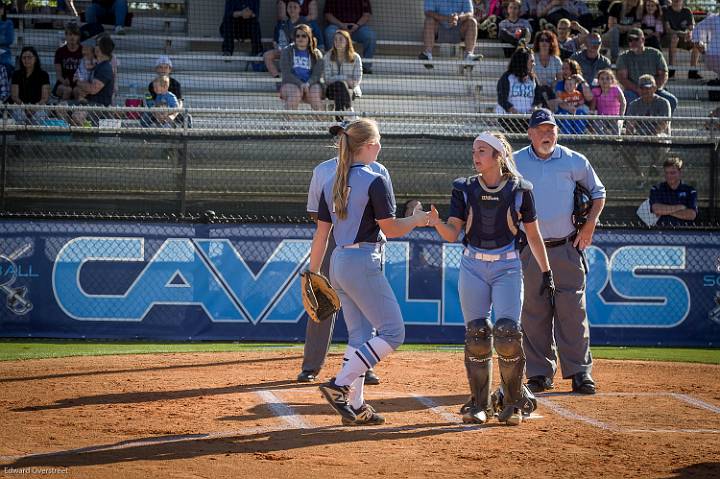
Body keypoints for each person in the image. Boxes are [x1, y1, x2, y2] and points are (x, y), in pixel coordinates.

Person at [426, 131, 554, 425]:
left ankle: (511, 403)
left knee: (508, 334)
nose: (475, 156)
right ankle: (479, 404)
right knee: (477, 335)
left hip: (507, 267)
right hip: (473, 265)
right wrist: (435, 222)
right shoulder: (464, 188)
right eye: (474, 151)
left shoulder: (520, 189)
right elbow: (452, 233)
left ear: (498, 156)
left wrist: (546, 272)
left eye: (482, 151)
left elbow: (533, 235)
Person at [310, 118, 430, 425]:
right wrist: (418, 220)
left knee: (361, 336)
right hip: (362, 261)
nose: (380, 147)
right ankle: (339, 386)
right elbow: (391, 227)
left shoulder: (332, 178)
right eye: (378, 142)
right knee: (393, 333)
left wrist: (313, 274)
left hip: (338, 262)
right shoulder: (375, 178)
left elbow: (322, 235)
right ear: (370, 145)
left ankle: (358, 403)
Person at [514, 108, 606, 396]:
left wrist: (589, 225)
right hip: (531, 248)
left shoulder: (572, 159)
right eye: (540, 130)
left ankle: (580, 372)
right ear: (529, 133)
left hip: (567, 246)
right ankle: (540, 373)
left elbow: (598, 193)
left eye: (551, 129)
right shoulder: (514, 162)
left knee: (572, 312)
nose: (546, 134)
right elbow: (501, 193)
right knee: (534, 312)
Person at [298, 123, 388, 386]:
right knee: (322, 302)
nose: (343, 139)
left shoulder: (378, 169)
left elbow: (382, 214)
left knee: (366, 305)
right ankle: (312, 365)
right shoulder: (324, 170)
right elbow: (317, 215)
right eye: (341, 135)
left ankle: (365, 365)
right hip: (335, 238)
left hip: (368, 241)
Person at [616, 28, 678, 113]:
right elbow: (622, 78)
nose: (633, 42)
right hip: (634, 91)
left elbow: (663, 74)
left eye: (636, 39)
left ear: (643, 39)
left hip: (654, 90)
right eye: (630, 40)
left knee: (672, 100)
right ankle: (630, 124)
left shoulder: (656, 54)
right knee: (627, 98)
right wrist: (638, 89)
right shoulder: (623, 57)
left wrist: (653, 89)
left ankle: (663, 124)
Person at [420, 0, 482, 67]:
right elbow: (428, 12)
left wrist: (458, 18)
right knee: (429, 20)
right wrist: (445, 18)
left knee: (472, 22)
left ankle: (469, 55)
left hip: (459, 29)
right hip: (438, 29)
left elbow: (470, 13)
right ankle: (428, 55)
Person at [495, 47, 554, 116]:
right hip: (508, 118)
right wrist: (514, 111)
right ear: (523, 61)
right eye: (532, 61)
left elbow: (538, 97)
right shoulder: (507, 77)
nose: (534, 64)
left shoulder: (533, 78)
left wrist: (534, 107)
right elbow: (501, 99)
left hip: (528, 119)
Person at [71, 34, 115, 125]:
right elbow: (88, 86)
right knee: (61, 107)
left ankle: (84, 137)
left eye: (97, 45)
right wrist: (82, 90)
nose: (95, 47)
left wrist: (77, 82)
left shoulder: (105, 68)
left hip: (99, 107)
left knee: (78, 116)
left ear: (100, 49)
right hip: (88, 102)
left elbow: (93, 89)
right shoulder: (97, 66)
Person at [279, 24, 324, 111]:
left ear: (309, 37)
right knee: (295, 94)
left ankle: (321, 124)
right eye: (298, 36)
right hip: (290, 84)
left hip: (311, 84)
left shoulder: (317, 53)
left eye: (304, 36)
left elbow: (317, 75)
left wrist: (308, 84)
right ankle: (287, 124)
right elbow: (286, 73)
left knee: (314, 94)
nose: (300, 38)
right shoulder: (287, 51)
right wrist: (300, 84)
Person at [324, 0, 376, 74]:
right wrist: (341, 25)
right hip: (338, 27)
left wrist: (357, 25)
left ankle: (366, 67)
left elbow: (366, 15)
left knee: (370, 36)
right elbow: (328, 15)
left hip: (357, 28)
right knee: (329, 32)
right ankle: (332, 66)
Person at [323, 29, 362, 120]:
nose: (337, 42)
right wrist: (344, 79)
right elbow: (327, 79)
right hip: (331, 90)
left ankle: (339, 120)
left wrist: (341, 80)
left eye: (341, 39)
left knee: (340, 90)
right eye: (335, 39)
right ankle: (349, 110)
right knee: (340, 84)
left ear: (347, 41)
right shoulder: (327, 56)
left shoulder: (356, 57)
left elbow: (356, 80)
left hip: (351, 90)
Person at [648, 157, 698, 226]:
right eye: (666, 173)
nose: (669, 176)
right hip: (661, 231)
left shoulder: (690, 191)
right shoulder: (656, 189)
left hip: (684, 232)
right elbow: (656, 209)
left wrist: (664, 211)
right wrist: (680, 207)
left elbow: (691, 215)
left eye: (672, 173)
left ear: (680, 173)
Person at [265, 0, 305, 78]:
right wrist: (277, 47)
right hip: (282, 51)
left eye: (295, 7)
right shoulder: (282, 23)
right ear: (286, 9)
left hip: (298, 52)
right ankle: (277, 78)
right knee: (267, 55)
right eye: (290, 7)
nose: (292, 9)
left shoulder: (304, 24)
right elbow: (275, 40)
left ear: (299, 9)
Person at [10, 46, 50, 124]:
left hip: (38, 107)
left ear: (35, 59)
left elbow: (45, 98)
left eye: (29, 57)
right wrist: (25, 107)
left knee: (39, 116)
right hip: (21, 106)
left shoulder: (43, 75)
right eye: (24, 58)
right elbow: (14, 96)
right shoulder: (16, 74)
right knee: (19, 115)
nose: (26, 60)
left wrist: (34, 108)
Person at [663, 0, 701, 79]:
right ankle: (671, 70)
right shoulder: (667, 10)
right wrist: (681, 33)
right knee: (674, 38)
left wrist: (688, 33)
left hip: (685, 38)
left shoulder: (687, 11)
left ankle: (692, 71)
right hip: (669, 38)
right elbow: (668, 29)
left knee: (698, 41)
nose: (677, 1)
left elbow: (691, 28)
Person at [53, 23, 83, 101]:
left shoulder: (83, 51)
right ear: (66, 36)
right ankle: (62, 112)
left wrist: (80, 82)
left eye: (75, 34)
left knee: (77, 91)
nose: (72, 37)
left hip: (79, 83)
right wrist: (64, 81)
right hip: (63, 83)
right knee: (68, 90)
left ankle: (77, 113)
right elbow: (58, 75)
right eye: (70, 34)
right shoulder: (60, 51)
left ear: (78, 37)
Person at [591, 68, 626, 134]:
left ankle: (616, 141)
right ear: (598, 81)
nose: (604, 81)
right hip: (601, 116)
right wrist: (592, 117)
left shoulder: (616, 89)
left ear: (612, 80)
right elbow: (593, 104)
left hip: (615, 116)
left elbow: (623, 102)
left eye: (607, 78)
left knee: (616, 128)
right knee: (597, 126)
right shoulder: (596, 91)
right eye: (602, 79)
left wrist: (621, 117)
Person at [692, 13, 720, 78]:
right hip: (714, 58)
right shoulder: (713, 19)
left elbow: (697, 29)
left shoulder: (712, 19)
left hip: (711, 57)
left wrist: (702, 50)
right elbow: (697, 29)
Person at [0, 1, 15, 80]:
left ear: (2, 10)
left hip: (4, 56)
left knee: (6, 67)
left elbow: (9, 40)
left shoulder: (8, 23)